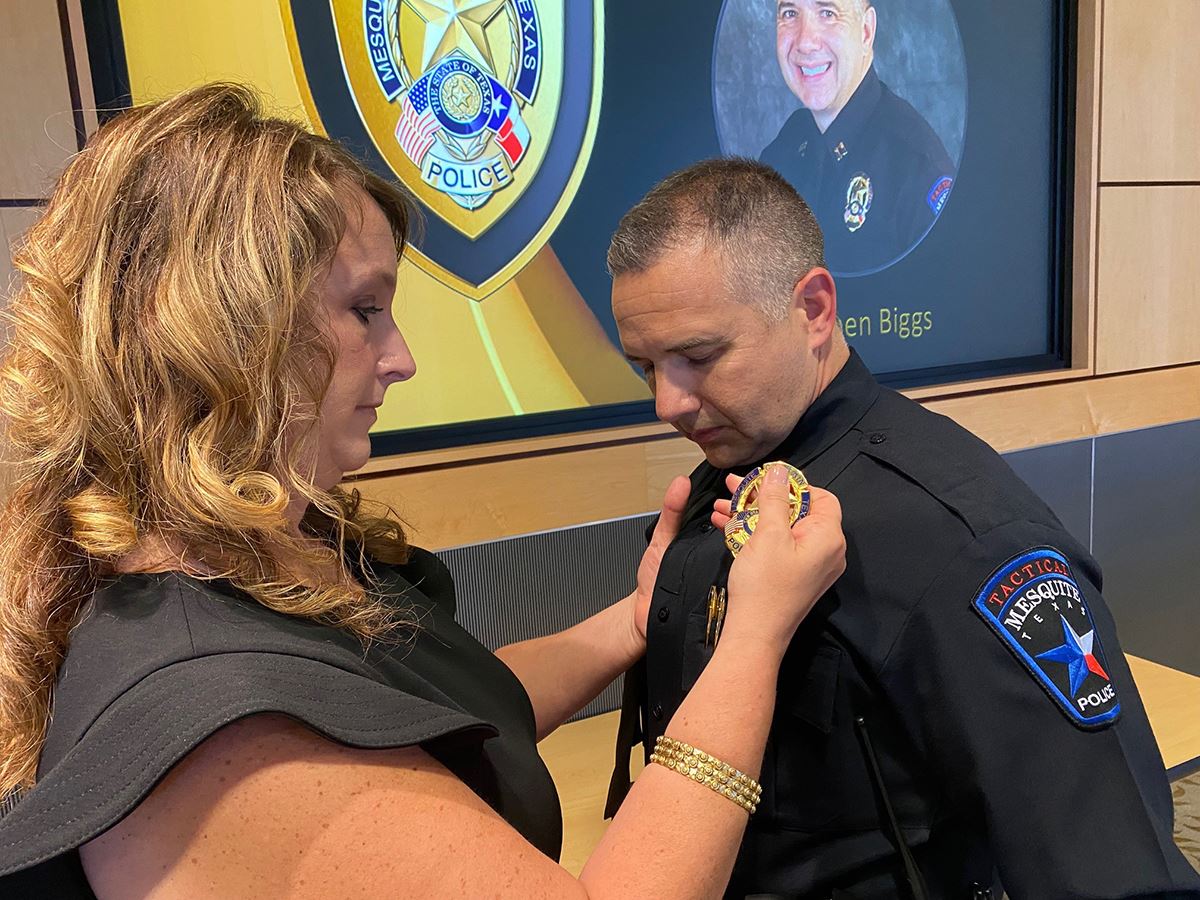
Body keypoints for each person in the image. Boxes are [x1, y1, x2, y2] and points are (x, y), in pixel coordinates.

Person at [0, 86, 849, 898]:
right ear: (223, 329)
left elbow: (437, 715)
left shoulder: (286, 549)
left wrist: (629, 622)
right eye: (364, 309)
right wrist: (753, 637)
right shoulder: (217, 727)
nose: (400, 358)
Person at [605, 158, 1200, 898]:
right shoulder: (722, 477)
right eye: (645, 367)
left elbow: (1113, 869)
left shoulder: (964, 538)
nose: (668, 403)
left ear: (814, 309)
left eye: (697, 357)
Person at [761, 0, 956, 273]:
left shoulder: (917, 168)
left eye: (827, 13)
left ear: (866, 31)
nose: (805, 42)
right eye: (790, 13)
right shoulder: (785, 148)